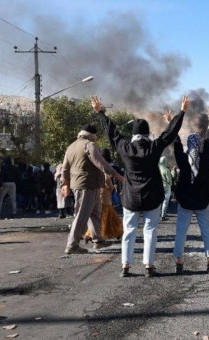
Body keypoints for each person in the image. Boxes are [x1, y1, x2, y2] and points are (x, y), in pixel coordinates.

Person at [92, 95, 189, 278]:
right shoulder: (154, 147)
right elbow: (169, 134)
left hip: (130, 197)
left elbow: (112, 133)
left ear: (134, 133)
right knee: (150, 230)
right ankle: (149, 266)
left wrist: (100, 112)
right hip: (152, 196)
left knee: (129, 231)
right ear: (146, 133)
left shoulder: (125, 148)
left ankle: (126, 266)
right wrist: (181, 113)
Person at [61, 124, 123, 255]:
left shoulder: (71, 146)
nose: (96, 138)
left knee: (95, 213)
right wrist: (116, 175)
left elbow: (65, 168)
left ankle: (98, 240)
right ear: (91, 134)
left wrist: (65, 184)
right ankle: (72, 245)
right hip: (87, 185)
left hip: (85, 185)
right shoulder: (89, 145)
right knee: (81, 216)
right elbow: (100, 162)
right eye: (96, 136)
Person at [169, 107, 209, 275]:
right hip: (202, 202)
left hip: (185, 202)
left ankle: (179, 262)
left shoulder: (183, 160)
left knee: (181, 232)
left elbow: (175, 143)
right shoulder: (205, 160)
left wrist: (171, 123)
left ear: (188, 145)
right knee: (206, 232)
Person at [85, 148, 124, 242]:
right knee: (107, 217)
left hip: (97, 194)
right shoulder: (105, 166)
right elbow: (107, 180)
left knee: (102, 217)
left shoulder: (94, 165)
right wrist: (112, 188)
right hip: (105, 196)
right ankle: (116, 233)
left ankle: (91, 235)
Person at [159, 156, 172, 221]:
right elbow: (169, 180)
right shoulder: (166, 170)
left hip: (159, 186)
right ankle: (163, 215)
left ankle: (158, 214)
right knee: (165, 201)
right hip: (166, 187)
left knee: (159, 201)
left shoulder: (157, 169)